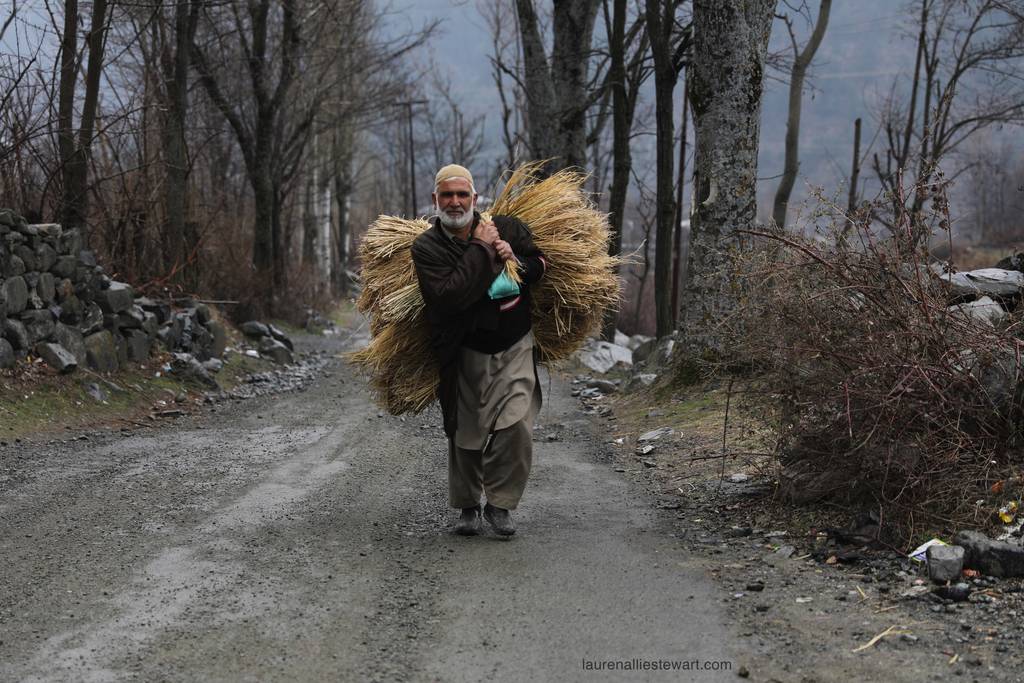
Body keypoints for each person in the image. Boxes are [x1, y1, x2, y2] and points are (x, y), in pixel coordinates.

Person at [411, 164, 547, 537]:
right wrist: (484, 248)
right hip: (465, 350)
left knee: (518, 423)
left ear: (474, 197)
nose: (455, 202)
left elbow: (541, 264)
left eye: (462, 195)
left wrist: (516, 261)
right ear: (435, 200)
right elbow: (451, 296)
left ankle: (500, 505)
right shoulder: (427, 248)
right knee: (465, 433)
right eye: (447, 195)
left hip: (515, 344)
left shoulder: (508, 227)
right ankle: (469, 506)